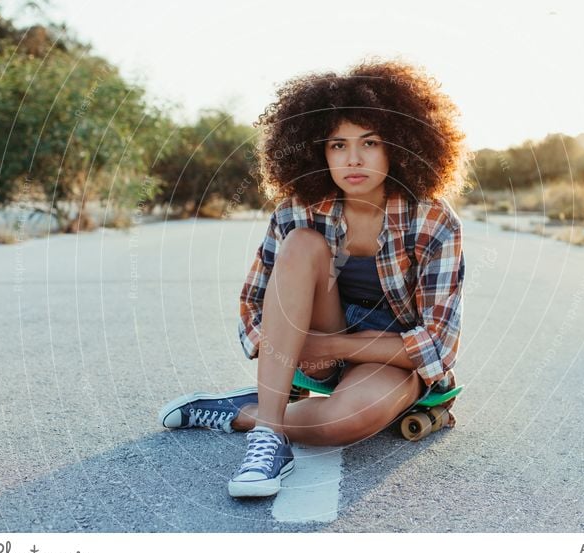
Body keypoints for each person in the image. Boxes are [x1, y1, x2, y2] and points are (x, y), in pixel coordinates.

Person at [158, 58, 467, 498]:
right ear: (317, 150)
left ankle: (244, 411)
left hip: (389, 353)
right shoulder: (297, 211)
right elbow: (253, 304)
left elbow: (437, 345)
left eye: (370, 142)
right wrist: (295, 348)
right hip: (319, 335)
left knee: (346, 422)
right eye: (337, 145)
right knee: (302, 243)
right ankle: (268, 437)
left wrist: (331, 346)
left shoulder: (433, 220)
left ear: (398, 145)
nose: (353, 158)